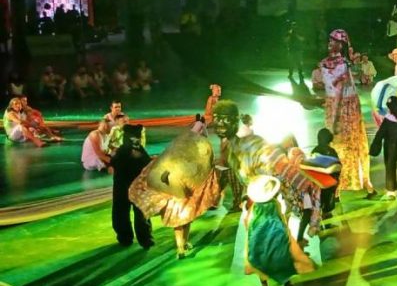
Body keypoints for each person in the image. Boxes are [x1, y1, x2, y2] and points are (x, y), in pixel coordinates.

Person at [212, 100, 323, 234]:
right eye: (216, 118)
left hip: (270, 197)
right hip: (263, 199)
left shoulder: (253, 144)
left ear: (235, 122)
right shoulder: (232, 149)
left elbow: (292, 177)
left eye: (225, 120)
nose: (220, 124)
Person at [129, 131, 224, 259]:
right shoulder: (182, 160)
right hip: (180, 197)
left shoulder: (177, 159)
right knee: (183, 222)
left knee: (182, 222)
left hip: (177, 197)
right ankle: (181, 247)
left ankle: (182, 245)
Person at [320, 29, 375, 197]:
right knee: (351, 144)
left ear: (341, 45)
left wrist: (333, 120)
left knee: (345, 143)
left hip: (344, 109)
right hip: (344, 106)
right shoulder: (335, 63)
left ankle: (344, 184)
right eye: (330, 40)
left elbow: (337, 94)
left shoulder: (339, 64)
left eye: (334, 41)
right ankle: (360, 181)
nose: (330, 43)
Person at [243, 175, 315, 286]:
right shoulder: (275, 203)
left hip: (259, 238)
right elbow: (281, 219)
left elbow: (248, 221)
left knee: (259, 260)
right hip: (277, 235)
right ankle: (287, 283)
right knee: (281, 258)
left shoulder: (255, 207)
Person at [112, 124, 154, 249]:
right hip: (134, 186)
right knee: (139, 212)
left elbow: (113, 162)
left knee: (121, 212)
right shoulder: (136, 150)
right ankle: (145, 239)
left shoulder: (121, 151)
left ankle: (125, 238)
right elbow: (146, 164)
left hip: (122, 186)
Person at [369, 96, 397, 207]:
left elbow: (380, 135)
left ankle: (391, 191)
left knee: (390, 168)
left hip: (390, 149)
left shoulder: (387, 121)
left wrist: (374, 149)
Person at [310, 128, 340, 223]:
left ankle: (319, 217)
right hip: (329, 181)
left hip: (318, 181)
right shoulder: (331, 151)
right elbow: (337, 166)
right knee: (328, 201)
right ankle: (327, 219)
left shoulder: (315, 150)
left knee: (320, 199)